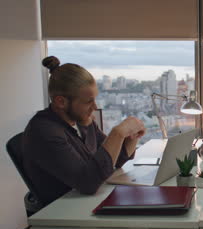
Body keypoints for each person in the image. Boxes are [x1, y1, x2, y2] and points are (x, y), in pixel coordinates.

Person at [22, 56, 146, 206]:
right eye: (88, 102)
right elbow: (88, 183)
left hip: (87, 202)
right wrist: (117, 134)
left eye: (94, 100)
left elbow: (114, 161)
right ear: (60, 102)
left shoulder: (80, 120)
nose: (94, 107)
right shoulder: (44, 132)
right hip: (65, 211)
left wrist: (132, 135)